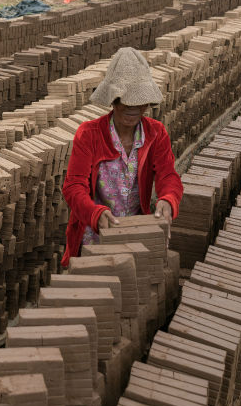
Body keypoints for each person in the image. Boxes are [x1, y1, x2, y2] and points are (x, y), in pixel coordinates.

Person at [60, 47, 184, 267]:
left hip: (137, 231)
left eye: (139, 101)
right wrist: (95, 214)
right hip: (95, 233)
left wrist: (168, 200)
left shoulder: (156, 133)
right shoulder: (89, 134)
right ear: (113, 100)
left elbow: (168, 176)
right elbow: (73, 187)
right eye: (124, 100)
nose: (133, 107)